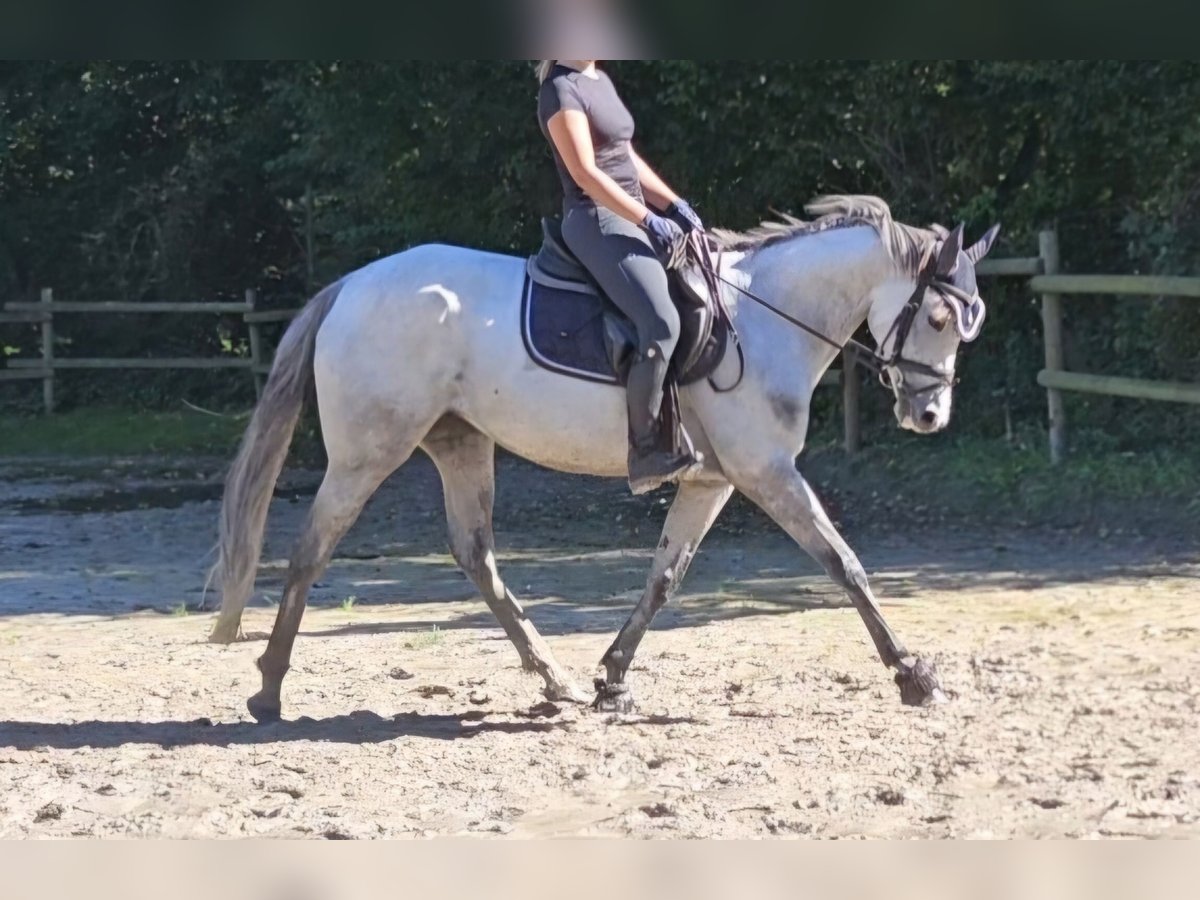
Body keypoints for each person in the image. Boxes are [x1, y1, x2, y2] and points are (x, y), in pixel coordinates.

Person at [536, 59, 706, 495]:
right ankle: (647, 448)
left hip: (633, 212)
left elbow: (627, 156)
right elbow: (586, 173)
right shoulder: (560, 90)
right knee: (662, 322)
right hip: (597, 218)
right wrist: (648, 220)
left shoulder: (599, 81)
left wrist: (674, 205)